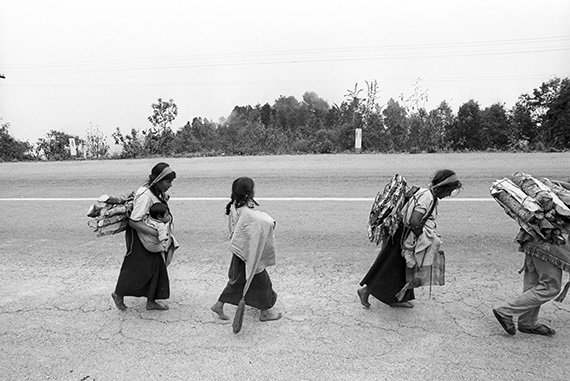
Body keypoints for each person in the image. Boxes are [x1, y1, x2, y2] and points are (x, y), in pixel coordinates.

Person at [357, 169, 462, 308]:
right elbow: (414, 221)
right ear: (443, 188)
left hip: (400, 233)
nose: (449, 194)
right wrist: (421, 237)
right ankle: (365, 290)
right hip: (403, 237)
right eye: (450, 191)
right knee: (390, 268)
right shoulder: (428, 198)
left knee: (399, 269)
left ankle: (396, 298)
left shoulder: (427, 193)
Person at [211, 177, 282, 322]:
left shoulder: (234, 205)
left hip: (239, 251)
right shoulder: (246, 213)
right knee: (262, 283)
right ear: (249, 193)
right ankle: (265, 312)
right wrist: (271, 222)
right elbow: (264, 222)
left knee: (239, 281)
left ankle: (219, 304)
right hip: (247, 253)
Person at [111, 162, 177, 311]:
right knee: (136, 268)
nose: (170, 185)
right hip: (142, 239)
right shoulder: (145, 196)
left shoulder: (155, 191)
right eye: (168, 181)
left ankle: (151, 301)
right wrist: (156, 233)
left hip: (151, 238)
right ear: (157, 180)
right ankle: (118, 294)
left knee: (156, 268)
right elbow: (134, 221)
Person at [492, 229, 568, 336]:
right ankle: (505, 311)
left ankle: (527, 322)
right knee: (549, 287)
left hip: (533, 237)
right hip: (548, 244)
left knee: (534, 284)